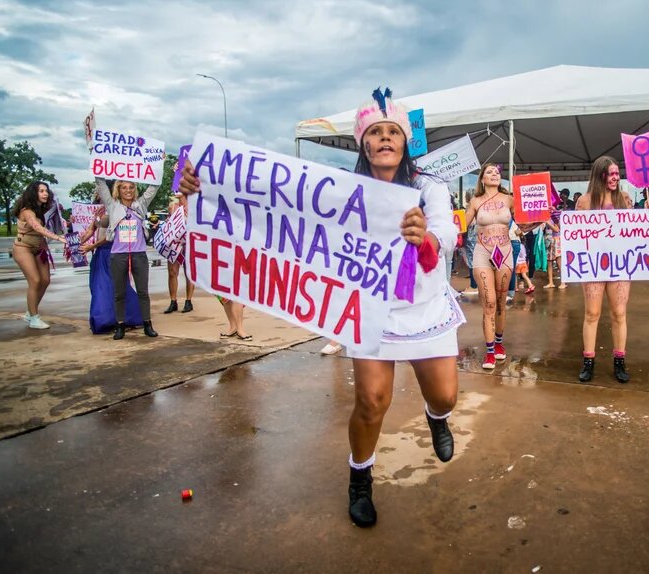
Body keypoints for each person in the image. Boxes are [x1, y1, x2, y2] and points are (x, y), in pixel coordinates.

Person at [180, 88, 462, 529]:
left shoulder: (430, 188)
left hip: (425, 306)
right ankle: (360, 479)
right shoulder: (340, 189)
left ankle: (437, 419)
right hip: (372, 308)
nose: (385, 139)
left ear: (406, 141)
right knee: (371, 401)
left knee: (445, 394)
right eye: (375, 132)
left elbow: (446, 238)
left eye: (393, 132)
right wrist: (204, 189)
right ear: (362, 143)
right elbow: (271, 205)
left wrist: (424, 234)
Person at [576, 156, 649, 384]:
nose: (615, 177)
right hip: (593, 264)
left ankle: (619, 360)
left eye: (617, 173)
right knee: (592, 313)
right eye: (611, 173)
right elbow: (576, 234)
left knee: (619, 313)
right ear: (600, 175)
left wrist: (647, 214)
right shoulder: (585, 201)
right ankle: (588, 361)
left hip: (620, 264)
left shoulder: (625, 198)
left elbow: (635, 230)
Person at [95, 177, 161, 340]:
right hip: (119, 254)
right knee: (119, 292)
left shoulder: (140, 205)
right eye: (124, 188)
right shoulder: (113, 205)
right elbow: (101, 185)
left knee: (143, 292)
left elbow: (154, 187)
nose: (128, 190)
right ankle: (120, 325)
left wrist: (159, 166)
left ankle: (147, 324)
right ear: (119, 190)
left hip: (139, 253)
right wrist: (97, 157)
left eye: (131, 187)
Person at [465, 163, 515, 369]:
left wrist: (538, 217)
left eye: (496, 172)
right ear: (482, 179)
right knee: (490, 302)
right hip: (483, 253)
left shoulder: (509, 199)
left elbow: (525, 222)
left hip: (505, 253)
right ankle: (490, 351)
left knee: (502, 302)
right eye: (489, 172)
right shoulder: (475, 201)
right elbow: (462, 225)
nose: (494, 174)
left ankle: (500, 343)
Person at [79, 198, 143, 333]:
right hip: (100, 253)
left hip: (113, 251)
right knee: (98, 285)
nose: (96, 191)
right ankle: (107, 318)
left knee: (112, 285)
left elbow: (112, 235)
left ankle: (124, 317)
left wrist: (92, 246)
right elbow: (91, 229)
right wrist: (75, 243)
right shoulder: (99, 210)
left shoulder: (118, 209)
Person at [11, 181, 67, 329]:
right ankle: (34, 317)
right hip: (23, 248)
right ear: (33, 193)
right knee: (35, 281)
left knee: (45, 280)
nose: (45, 194)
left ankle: (30, 312)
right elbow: (37, 227)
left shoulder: (44, 209)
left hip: (39, 249)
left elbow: (56, 221)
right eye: (41, 191)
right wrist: (58, 238)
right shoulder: (27, 211)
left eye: (46, 191)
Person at [163, 195, 195, 314]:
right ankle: (173, 301)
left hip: (189, 243)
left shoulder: (193, 205)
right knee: (172, 272)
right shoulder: (173, 205)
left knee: (189, 273)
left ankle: (188, 301)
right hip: (174, 244)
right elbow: (169, 222)